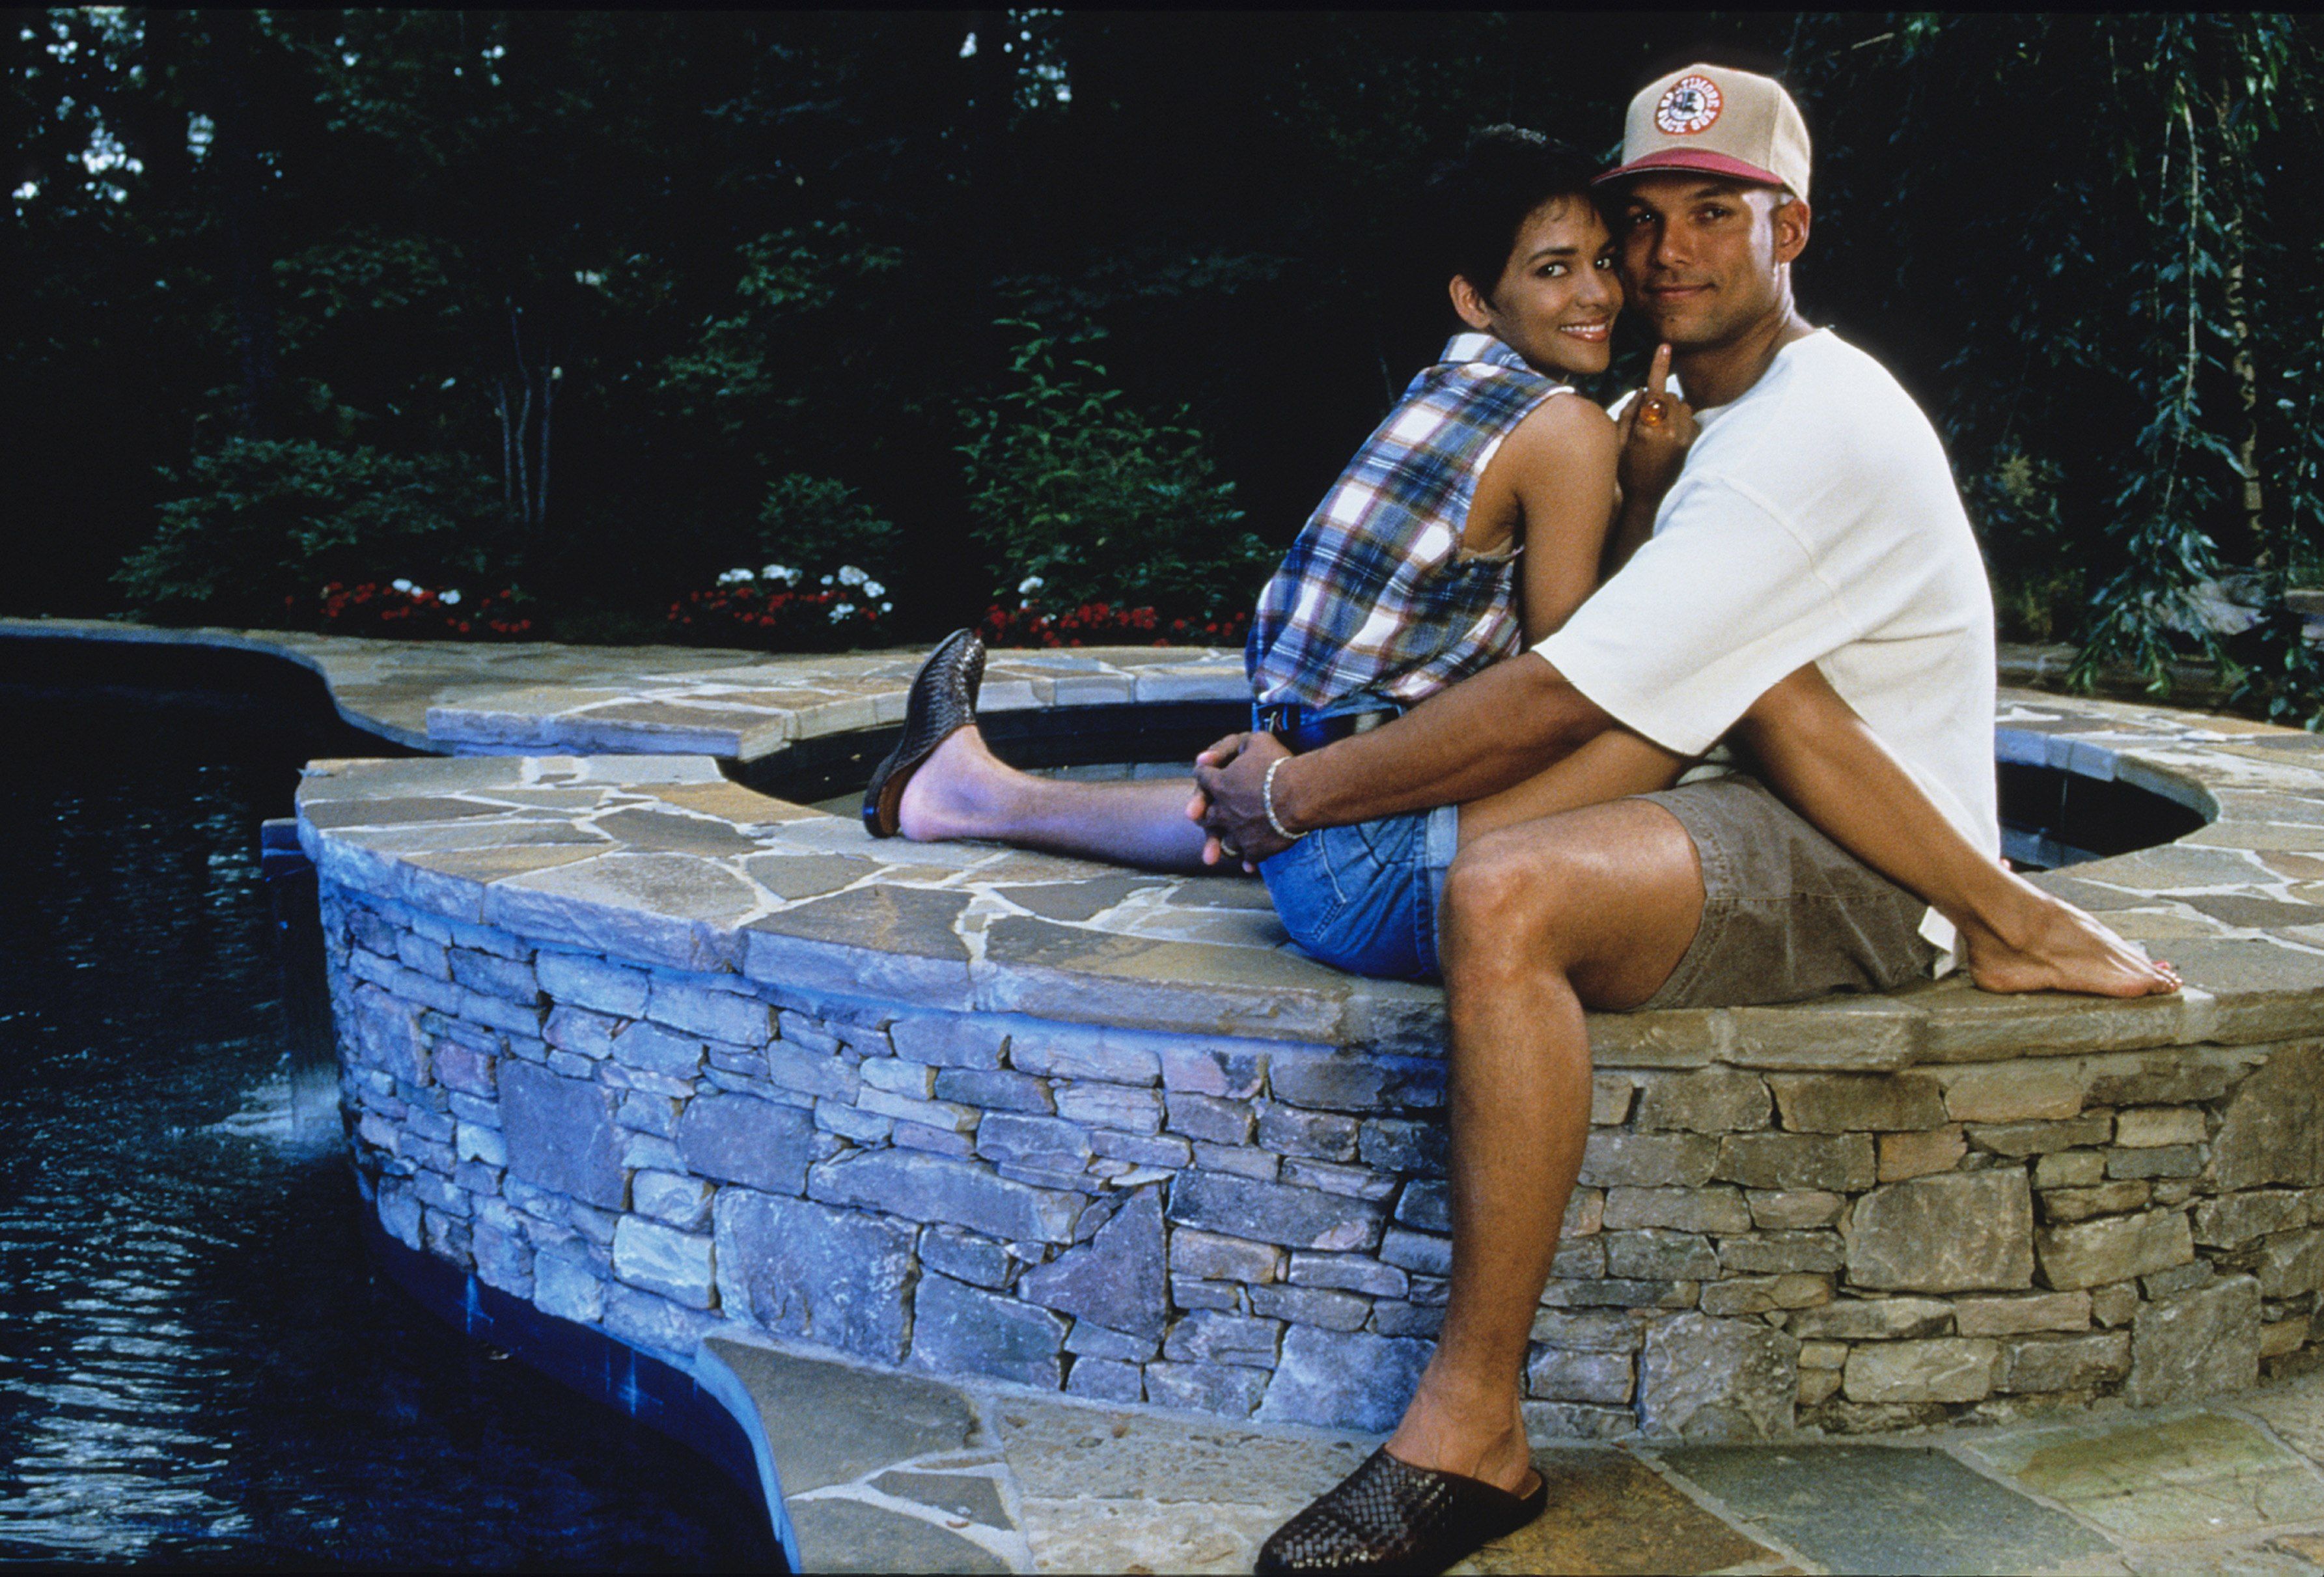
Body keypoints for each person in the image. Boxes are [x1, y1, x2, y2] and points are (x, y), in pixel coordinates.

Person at [1183, 64, 2174, 1574]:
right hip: (1767, 776)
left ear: (1796, 228)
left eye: (1720, 211)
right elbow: (1728, 676)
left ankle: (1471, 1432)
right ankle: (998, 791)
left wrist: (1292, 787)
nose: (1669, 253)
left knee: (1499, 892)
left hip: (1861, 859)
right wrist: (1641, 493)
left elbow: (1561, 690)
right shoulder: (1700, 415)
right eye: (1644, 218)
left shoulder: (1804, 432)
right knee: (1447, 834)